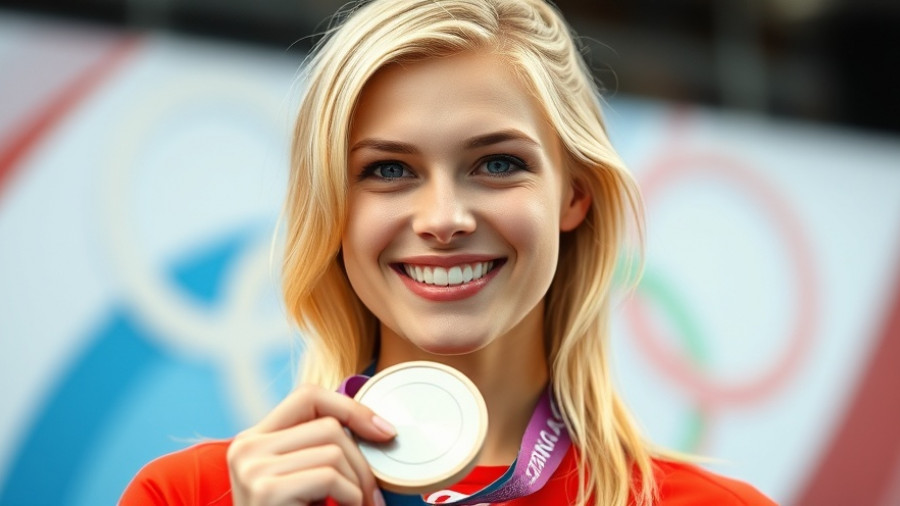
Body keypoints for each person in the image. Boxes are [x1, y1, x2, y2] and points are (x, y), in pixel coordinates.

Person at [121, 0, 776, 505]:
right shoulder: (188, 494)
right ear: (334, 210)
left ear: (574, 195)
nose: (443, 220)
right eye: (388, 170)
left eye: (497, 163)